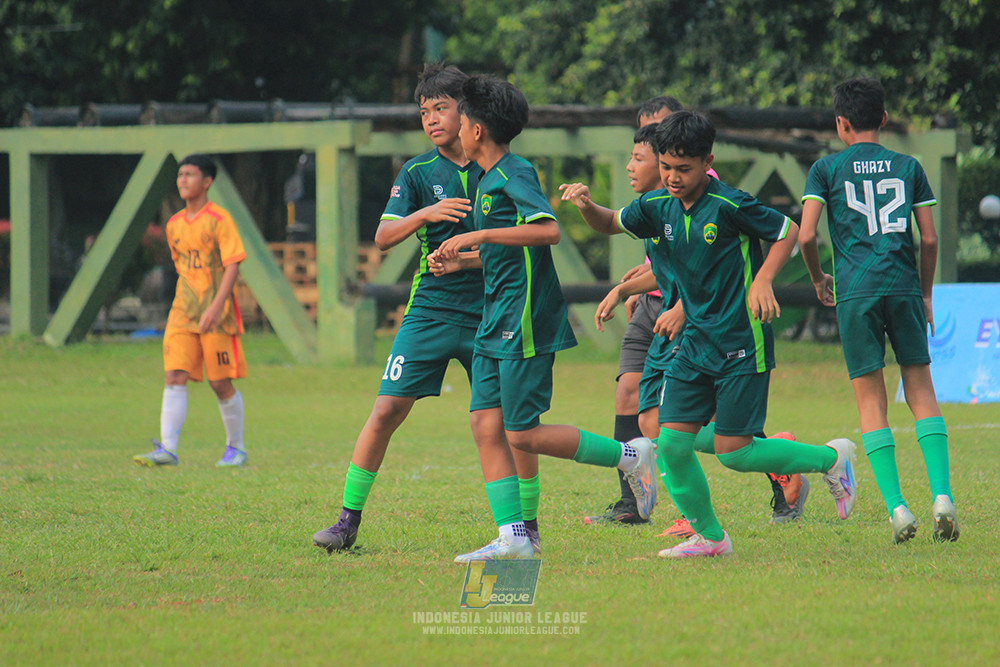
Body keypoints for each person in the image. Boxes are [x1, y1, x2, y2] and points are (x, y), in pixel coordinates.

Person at [561, 110, 857, 558]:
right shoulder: (657, 207)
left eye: (684, 169)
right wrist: (586, 205)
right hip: (694, 343)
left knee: (734, 452)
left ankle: (831, 460)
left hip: (741, 340)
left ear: (707, 161)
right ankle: (712, 538)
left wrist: (762, 280)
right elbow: (608, 222)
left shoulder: (730, 204)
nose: (673, 178)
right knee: (671, 441)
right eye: (666, 168)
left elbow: (787, 231)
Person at [312, 64, 541, 557]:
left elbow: (528, 243)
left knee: (506, 424)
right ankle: (346, 521)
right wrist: (426, 214)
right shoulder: (418, 173)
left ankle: (526, 527)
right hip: (431, 312)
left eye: (441, 108)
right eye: (424, 112)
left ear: (470, 114)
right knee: (386, 409)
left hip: (493, 312)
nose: (432, 119)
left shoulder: (499, 169)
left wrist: (465, 258)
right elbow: (383, 236)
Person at [430, 75, 659, 561]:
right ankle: (514, 536)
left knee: (523, 432)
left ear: (476, 131)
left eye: (462, 121)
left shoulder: (515, 172)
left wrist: (480, 239)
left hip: (525, 318)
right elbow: (509, 248)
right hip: (496, 315)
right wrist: (465, 259)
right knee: (483, 425)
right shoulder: (486, 178)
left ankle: (632, 457)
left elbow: (548, 232)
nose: (455, 129)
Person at [798, 76, 958, 544]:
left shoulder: (825, 169)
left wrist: (816, 277)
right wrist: (925, 293)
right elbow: (928, 238)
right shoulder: (909, 166)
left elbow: (806, 236)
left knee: (871, 401)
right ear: (884, 120)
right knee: (921, 390)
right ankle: (942, 497)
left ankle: (897, 507)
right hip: (903, 286)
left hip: (855, 291)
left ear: (840, 123)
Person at [583, 96, 683, 526]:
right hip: (650, 304)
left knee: (701, 426)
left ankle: (782, 467)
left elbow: (696, 262)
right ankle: (632, 502)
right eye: (645, 138)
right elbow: (659, 254)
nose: (657, 149)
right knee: (630, 395)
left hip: (687, 310)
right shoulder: (649, 201)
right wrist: (633, 282)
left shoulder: (696, 186)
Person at [133, 154, 249, 468]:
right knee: (174, 375)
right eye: (180, 174)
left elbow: (233, 263)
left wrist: (215, 305)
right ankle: (168, 449)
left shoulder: (219, 219)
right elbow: (182, 266)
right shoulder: (173, 225)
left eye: (190, 174)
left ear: (207, 181)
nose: (183, 179)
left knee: (220, 383)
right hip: (182, 312)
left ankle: (236, 448)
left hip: (217, 314)